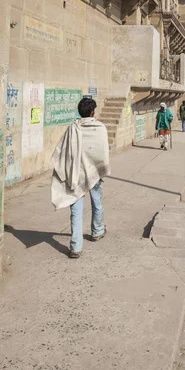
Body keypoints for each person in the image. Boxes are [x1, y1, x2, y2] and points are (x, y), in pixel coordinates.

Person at [51, 97, 110, 259]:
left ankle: (76, 247)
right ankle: (97, 231)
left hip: (76, 174)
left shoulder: (73, 128)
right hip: (94, 172)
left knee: (76, 210)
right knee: (97, 202)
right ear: (92, 112)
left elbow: (63, 151)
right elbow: (103, 151)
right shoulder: (100, 128)